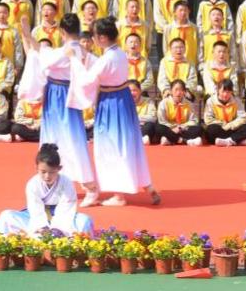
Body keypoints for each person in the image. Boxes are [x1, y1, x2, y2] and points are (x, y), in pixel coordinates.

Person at [69, 17, 160, 207]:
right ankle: (147, 184)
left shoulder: (108, 58)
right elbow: (100, 66)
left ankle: (119, 195)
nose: (92, 40)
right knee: (131, 142)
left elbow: (87, 80)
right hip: (123, 98)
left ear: (102, 38)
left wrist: (74, 61)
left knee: (112, 146)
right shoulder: (118, 53)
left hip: (111, 103)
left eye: (94, 36)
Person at [15, 13, 99, 204]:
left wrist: (28, 36)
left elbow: (40, 55)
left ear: (62, 31)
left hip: (61, 96)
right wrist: (27, 37)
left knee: (71, 139)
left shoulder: (68, 51)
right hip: (59, 95)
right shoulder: (78, 50)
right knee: (61, 139)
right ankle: (55, 182)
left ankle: (90, 186)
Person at [0, 144, 93, 236]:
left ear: (59, 168)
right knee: (6, 216)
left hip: (63, 217)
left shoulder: (66, 182)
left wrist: (58, 228)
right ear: (36, 168)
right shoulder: (33, 184)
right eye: (43, 172)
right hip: (35, 217)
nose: (47, 176)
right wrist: (41, 227)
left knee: (85, 220)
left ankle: (60, 237)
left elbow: (67, 206)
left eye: (52, 172)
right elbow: (35, 207)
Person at [202, 80, 246, 147]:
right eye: (223, 91)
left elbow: (243, 117)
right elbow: (208, 119)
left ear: (231, 92)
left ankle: (229, 140)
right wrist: (223, 124)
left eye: (228, 92)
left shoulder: (237, 100)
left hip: (233, 127)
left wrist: (231, 125)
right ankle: (237, 140)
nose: (225, 94)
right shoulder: (210, 101)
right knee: (211, 129)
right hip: (220, 128)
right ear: (218, 90)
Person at [154, 79, 203, 146]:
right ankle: (183, 141)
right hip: (169, 129)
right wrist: (173, 127)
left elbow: (194, 120)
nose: (178, 93)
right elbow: (162, 121)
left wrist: (181, 127)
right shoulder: (164, 103)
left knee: (199, 129)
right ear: (171, 91)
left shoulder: (189, 104)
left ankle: (170, 140)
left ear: (184, 92)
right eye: (176, 90)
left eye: (181, 90)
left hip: (184, 129)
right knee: (159, 127)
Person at [0, 3, 24, 71]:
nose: (2, 15)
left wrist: (18, 66)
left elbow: (18, 49)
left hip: (9, 66)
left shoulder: (13, 31)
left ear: (9, 14)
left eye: (4, 13)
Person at [163, 0, 201, 66]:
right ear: (174, 12)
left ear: (189, 12)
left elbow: (198, 46)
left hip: (191, 63)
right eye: (180, 10)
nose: (183, 13)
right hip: (173, 64)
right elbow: (166, 47)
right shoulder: (169, 28)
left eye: (185, 10)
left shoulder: (194, 28)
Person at [200, 7, 235, 72]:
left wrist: (232, 68)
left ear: (223, 18)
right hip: (209, 70)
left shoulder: (229, 35)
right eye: (213, 15)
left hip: (226, 69)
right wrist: (202, 69)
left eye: (219, 15)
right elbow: (200, 53)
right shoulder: (205, 35)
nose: (216, 17)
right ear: (209, 19)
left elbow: (233, 53)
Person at [130, 80, 158, 145]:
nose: (132, 93)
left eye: (134, 90)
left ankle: (137, 140)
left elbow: (153, 118)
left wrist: (135, 118)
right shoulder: (124, 103)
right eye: (130, 91)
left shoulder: (148, 101)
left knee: (150, 125)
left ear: (140, 91)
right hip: (131, 128)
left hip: (144, 128)